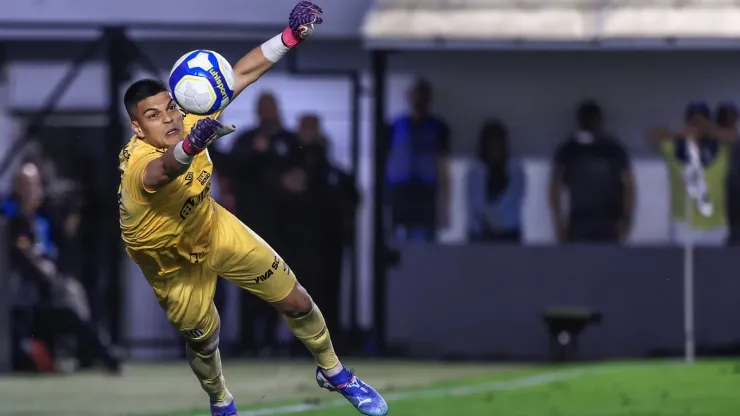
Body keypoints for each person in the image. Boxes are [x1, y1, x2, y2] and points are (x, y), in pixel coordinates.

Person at [116, 3, 387, 416]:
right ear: (138, 128)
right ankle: (221, 399)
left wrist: (291, 36)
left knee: (296, 299)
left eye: (170, 106)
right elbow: (162, 171)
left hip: (210, 225)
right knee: (205, 341)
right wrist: (192, 145)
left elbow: (240, 73)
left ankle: (334, 372)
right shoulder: (137, 163)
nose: (169, 118)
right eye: (153, 116)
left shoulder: (191, 116)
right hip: (170, 262)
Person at [7, 162, 120, 374]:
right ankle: (104, 356)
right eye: (27, 186)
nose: (34, 191)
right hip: (28, 298)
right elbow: (25, 259)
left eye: (36, 185)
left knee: (75, 294)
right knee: (69, 302)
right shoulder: (13, 220)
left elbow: (64, 246)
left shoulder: (45, 217)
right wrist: (51, 277)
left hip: (51, 291)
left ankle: (95, 354)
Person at [647, 102, 732, 245]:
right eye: (694, 121)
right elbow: (651, 134)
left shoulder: (722, 149)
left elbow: (734, 135)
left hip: (716, 225)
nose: (697, 126)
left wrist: (709, 131)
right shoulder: (674, 148)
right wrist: (677, 131)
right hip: (684, 225)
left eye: (702, 121)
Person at [549, 100, 635, 243]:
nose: (590, 122)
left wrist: (626, 218)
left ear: (600, 119)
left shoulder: (613, 148)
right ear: (579, 120)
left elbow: (629, 185)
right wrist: (558, 220)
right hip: (579, 221)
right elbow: (555, 187)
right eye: (586, 118)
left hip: (609, 220)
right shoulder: (569, 149)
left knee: (609, 263)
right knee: (578, 263)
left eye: (593, 117)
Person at [385, 79, 451, 242]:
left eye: (423, 96)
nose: (418, 100)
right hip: (399, 189)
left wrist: (444, 204)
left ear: (429, 99)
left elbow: (443, 164)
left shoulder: (439, 127)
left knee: (425, 242)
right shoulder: (395, 125)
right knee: (397, 242)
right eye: (415, 95)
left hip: (426, 191)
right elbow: (386, 160)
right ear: (408, 97)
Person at [466, 119, 525, 242]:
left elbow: (515, 196)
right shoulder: (475, 170)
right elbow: (476, 201)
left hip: (509, 231)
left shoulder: (515, 169)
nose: (495, 146)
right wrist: (490, 221)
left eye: (498, 141)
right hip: (480, 233)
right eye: (491, 141)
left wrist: (499, 221)